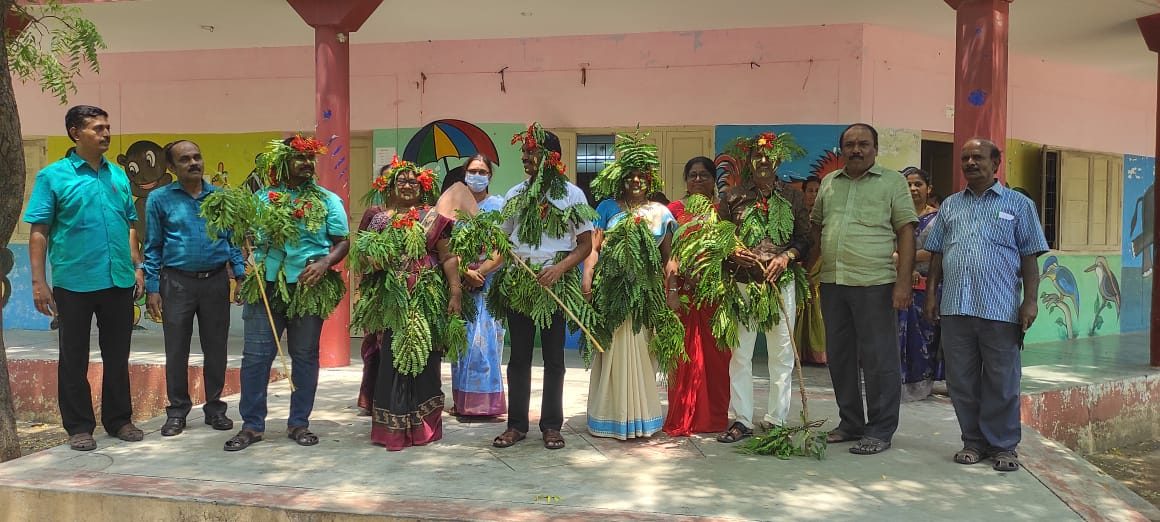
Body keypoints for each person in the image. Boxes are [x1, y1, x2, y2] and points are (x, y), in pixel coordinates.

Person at [23, 104, 146, 451]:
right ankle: (78, 426)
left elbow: (129, 224)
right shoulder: (53, 176)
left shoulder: (118, 175)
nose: (106, 133)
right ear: (76, 133)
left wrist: (137, 265)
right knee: (73, 356)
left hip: (118, 280)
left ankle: (119, 420)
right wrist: (38, 282)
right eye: (97, 128)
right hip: (73, 282)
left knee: (117, 355)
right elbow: (40, 230)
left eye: (107, 127)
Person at [924, 138, 1048, 472]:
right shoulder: (950, 205)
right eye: (965, 158)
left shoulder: (1019, 205)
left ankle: (1004, 446)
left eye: (977, 157)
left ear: (996, 163)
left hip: (1000, 309)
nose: (969, 163)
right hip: (955, 308)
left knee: (1002, 381)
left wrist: (1030, 302)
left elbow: (1029, 258)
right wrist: (932, 295)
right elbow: (937, 254)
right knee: (961, 381)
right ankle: (973, 442)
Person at [222, 135, 350, 451]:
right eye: (298, 158)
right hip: (265, 287)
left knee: (305, 355)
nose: (306, 164)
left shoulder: (327, 200)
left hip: (309, 287)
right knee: (256, 357)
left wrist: (325, 263)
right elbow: (239, 236)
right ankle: (252, 426)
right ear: (283, 163)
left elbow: (343, 241)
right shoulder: (260, 199)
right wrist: (244, 249)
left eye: (310, 159)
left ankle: (299, 423)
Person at [809, 123, 917, 455]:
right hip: (833, 283)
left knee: (878, 359)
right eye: (850, 144)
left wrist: (902, 281)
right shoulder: (829, 183)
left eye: (863, 144)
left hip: (875, 283)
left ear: (875, 148)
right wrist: (804, 273)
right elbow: (817, 227)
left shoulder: (892, 182)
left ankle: (881, 429)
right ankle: (851, 422)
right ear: (842, 149)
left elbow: (906, 231)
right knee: (840, 358)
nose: (856, 150)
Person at [490, 122, 597, 450]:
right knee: (519, 357)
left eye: (532, 153)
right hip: (521, 283)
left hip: (556, 284)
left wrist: (560, 269)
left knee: (554, 358)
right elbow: (503, 238)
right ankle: (517, 426)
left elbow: (585, 244)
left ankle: (552, 425)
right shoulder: (515, 194)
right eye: (523, 152)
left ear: (551, 158)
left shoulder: (572, 195)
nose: (525, 158)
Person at [352, 157, 462, 450]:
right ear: (389, 186)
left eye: (413, 181)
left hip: (426, 296)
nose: (407, 185)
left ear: (422, 187)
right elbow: (362, 258)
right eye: (401, 180)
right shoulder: (379, 219)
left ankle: (423, 428)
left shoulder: (433, 218)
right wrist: (373, 264)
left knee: (425, 359)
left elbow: (449, 257)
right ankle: (393, 430)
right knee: (391, 359)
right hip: (391, 300)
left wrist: (455, 291)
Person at [581, 132, 681, 440]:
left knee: (642, 355)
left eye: (642, 176)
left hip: (646, 297)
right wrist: (588, 277)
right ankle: (609, 417)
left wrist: (672, 291)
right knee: (610, 353)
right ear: (622, 179)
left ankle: (641, 417)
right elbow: (594, 249)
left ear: (649, 180)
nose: (636, 181)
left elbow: (669, 257)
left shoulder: (661, 213)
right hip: (611, 294)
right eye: (631, 176)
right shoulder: (607, 208)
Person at [143, 140, 245, 437]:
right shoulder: (159, 200)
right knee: (176, 351)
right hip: (176, 283)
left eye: (197, 157)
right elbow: (153, 246)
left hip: (215, 281)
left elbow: (232, 239)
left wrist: (239, 275)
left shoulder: (220, 198)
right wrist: (153, 287)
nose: (193, 163)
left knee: (217, 349)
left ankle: (215, 408)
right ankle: (177, 412)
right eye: (184, 159)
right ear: (171, 168)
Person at [715, 132, 810, 443]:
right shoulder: (733, 197)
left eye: (769, 157)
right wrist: (732, 252)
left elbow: (804, 239)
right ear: (749, 160)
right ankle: (741, 419)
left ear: (778, 160)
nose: (763, 161)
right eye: (757, 156)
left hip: (781, 284)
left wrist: (786, 257)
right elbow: (720, 240)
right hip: (743, 286)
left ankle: (777, 419)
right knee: (740, 354)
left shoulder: (793, 197)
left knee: (781, 354)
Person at [663, 157, 732, 437]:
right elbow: (667, 254)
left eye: (704, 175)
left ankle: (714, 419)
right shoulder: (673, 211)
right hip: (684, 294)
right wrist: (672, 289)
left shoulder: (722, 210)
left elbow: (730, 249)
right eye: (693, 175)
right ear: (685, 180)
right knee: (683, 358)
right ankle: (684, 417)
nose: (698, 179)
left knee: (717, 359)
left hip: (715, 294)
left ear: (714, 179)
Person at [448, 155, 508, 417]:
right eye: (472, 171)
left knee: (485, 344)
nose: (477, 175)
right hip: (460, 284)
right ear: (465, 175)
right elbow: (446, 247)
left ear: (490, 177)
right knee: (461, 342)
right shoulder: (453, 207)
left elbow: (505, 248)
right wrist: (463, 272)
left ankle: (487, 404)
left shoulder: (500, 205)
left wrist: (479, 273)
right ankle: (462, 402)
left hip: (489, 284)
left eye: (482, 171)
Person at [897, 167, 944, 401]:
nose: (913, 189)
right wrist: (906, 267)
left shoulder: (938, 218)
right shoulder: (894, 216)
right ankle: (897, 384)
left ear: (929, 188)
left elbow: (936, 251)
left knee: (924, 338)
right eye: (908, 184)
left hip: (928, 289)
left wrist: (904, 258)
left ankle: (922, 386)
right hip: (897, 286)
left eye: (918, 184)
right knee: (897, 337)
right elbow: (886, 248)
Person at [794, 175, 827, 365]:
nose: (813, 195)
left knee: (817, 309)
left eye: (817, 191)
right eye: (810, 191)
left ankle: (818, 354)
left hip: (819, 267)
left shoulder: (826, 216)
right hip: (799, 264)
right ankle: (800, 351)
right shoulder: (798, 216)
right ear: (804, 193)